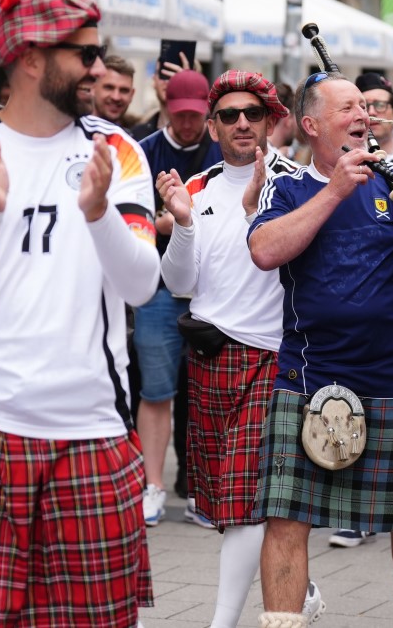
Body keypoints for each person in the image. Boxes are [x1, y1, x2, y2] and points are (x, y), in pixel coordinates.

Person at [0, 0, 159, 626]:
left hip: (91, 431)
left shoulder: (116, 151)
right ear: (32, 59)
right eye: (85, 54)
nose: (97, 69)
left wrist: (99, 214)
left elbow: (141, 285)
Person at [247, 71, 393, 628]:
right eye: (348, 107)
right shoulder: (288, 186)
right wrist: (335, 191)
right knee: (284, 517)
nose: (363, 115)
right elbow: (264, 250)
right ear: (310, 125)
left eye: (364, 107)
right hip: (310, 377)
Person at [157, 69, 326, 627]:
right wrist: (183, 224)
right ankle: (297, 582)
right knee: (222, 506)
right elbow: (180, 285)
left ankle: (221, 622)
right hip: (209, 357)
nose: (242, 123)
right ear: (212, 126)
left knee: (246, 502)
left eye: (253, 113)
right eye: (229, 115)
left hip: (276, 360)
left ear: (272, 120)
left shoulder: (297, 183)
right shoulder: (198, 187)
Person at [136, 68, 222, 527]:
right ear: (166, 108)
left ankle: (201, 488)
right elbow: (132, 219)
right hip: (157, 287)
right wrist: (168, 221)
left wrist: (177, 218)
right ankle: (152, 484)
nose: (187, 123)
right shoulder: (145, 151)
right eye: (180, 114)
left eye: (195, 115)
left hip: (210, 287)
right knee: (155, 389)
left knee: (207, 391)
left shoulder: (220, 151)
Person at [92, 54, 136, 127]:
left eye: (124, 90)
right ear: (93, 88)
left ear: (132, 95)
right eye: (109, 88)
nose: (116, 97)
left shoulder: (135, 134)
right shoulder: (74, 130)